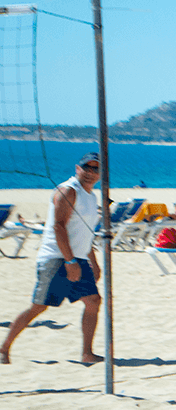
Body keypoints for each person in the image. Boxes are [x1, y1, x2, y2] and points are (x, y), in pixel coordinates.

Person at [1, 153, 104, 364]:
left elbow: (85, 232)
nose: (91, 173)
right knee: (39, 307)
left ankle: (87, 353)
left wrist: (92, 261)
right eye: (88, 167)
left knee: (94, 301)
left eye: (96, 169)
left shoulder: (92, 196)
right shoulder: (68, 190)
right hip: (57, 258)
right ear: (78, 168)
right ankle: (4, 348)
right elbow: (59, 226)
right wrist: (70, 262)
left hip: (78, 258)